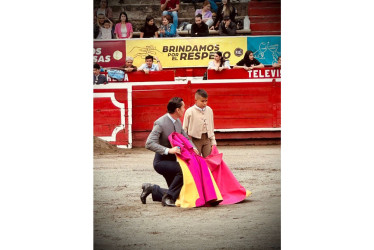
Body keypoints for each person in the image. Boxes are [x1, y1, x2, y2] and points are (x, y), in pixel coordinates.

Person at [142, 97, 199, 206]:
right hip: (161, 161)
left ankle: (151, 189)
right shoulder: (160, 123)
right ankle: (167, 198)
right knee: (183, 171)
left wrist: (193, 147)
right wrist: (168, 150)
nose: (184, 109)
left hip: (173, 161)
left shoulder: (177, 121)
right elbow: (149, 143)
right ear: (178, 110)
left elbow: (185, 137)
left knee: (180, 193)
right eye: (183, 107)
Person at [183, 89, 216, 157]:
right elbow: (184, 129)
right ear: (196, 100)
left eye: (206, 100)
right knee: (196, 160)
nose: (205, 103)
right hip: (195, 140)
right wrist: (186, 143)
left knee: (209, 160)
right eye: (202, 101)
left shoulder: (209, 110)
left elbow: (211, 127)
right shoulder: (190, 111)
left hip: (207, 139)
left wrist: (213, 142)